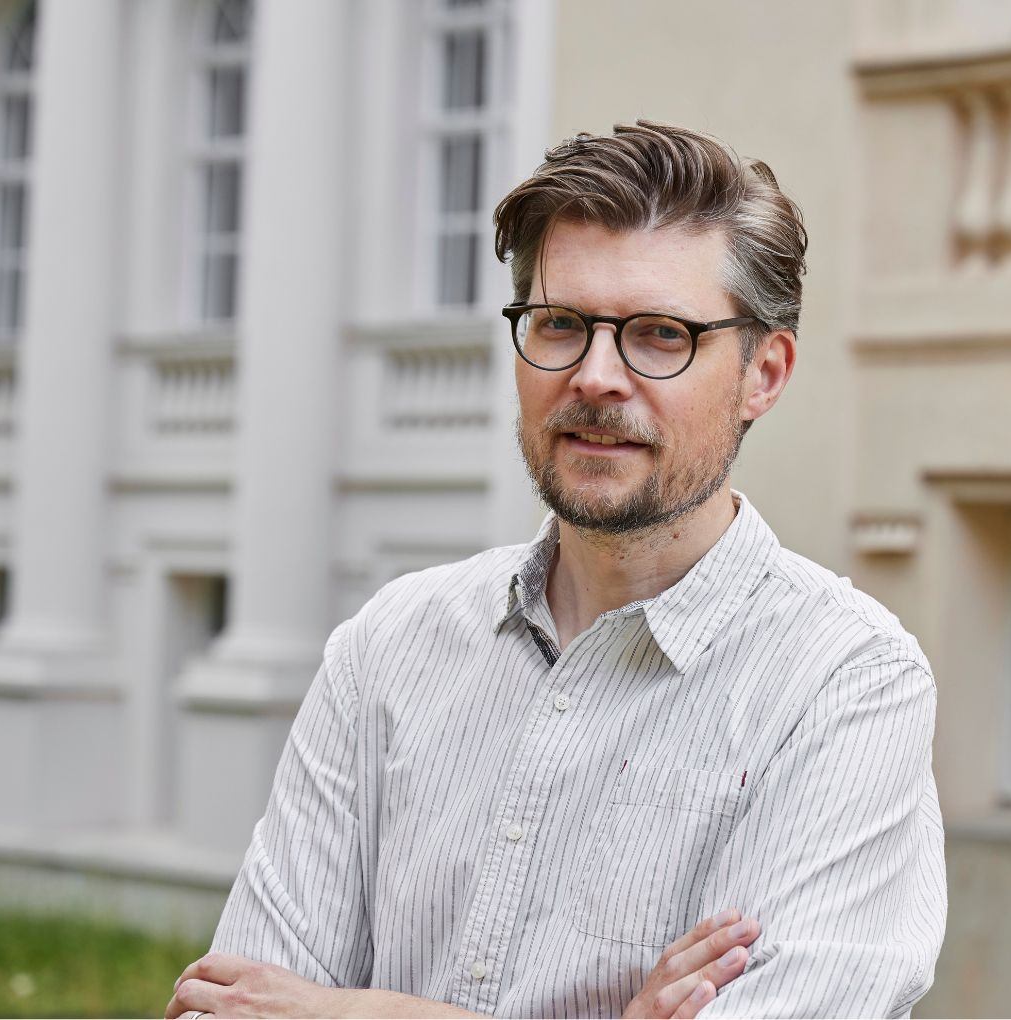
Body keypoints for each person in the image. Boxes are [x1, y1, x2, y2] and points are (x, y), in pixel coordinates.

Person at [167, 120, 946, 1020]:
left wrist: (360, 1012)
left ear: (763, 373)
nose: (595, 375)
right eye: (561, 324)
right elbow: (232, 1011)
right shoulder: (388, 647)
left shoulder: (847, 683)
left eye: (660, 334)